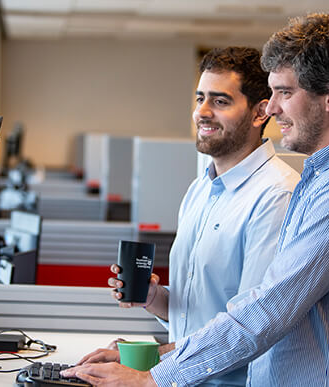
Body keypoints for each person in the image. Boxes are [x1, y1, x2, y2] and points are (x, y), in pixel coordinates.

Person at [62, 13, 329, 386]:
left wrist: (153, 379)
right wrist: (155, 356)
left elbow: (266, 311)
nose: (273, 109)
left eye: (285, 93)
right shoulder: (324, 182)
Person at [76, 46, 299, 386]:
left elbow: (246, 330)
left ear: (260, 113)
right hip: (181, 377)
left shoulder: (276, 196)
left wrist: (151, 364)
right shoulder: (200, 190)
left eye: (220, 101)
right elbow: (200, 315)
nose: (202, 112)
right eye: (199, 99)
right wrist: (157, 299)